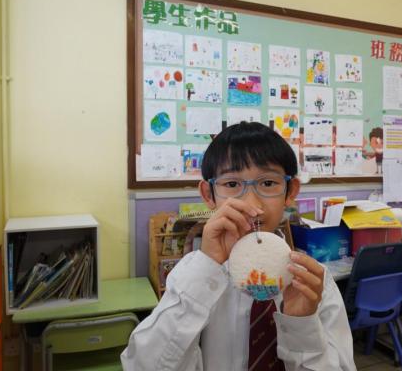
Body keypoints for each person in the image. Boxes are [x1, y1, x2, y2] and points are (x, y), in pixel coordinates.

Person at [121, 122, 355, 370]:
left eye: (268, 183)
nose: (252, 204)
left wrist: (302, 325)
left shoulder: (313, 282)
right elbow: (141, 365)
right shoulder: (193, 276)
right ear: (209, 194)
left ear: (290, 191)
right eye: (232, 184)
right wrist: (205, 269)